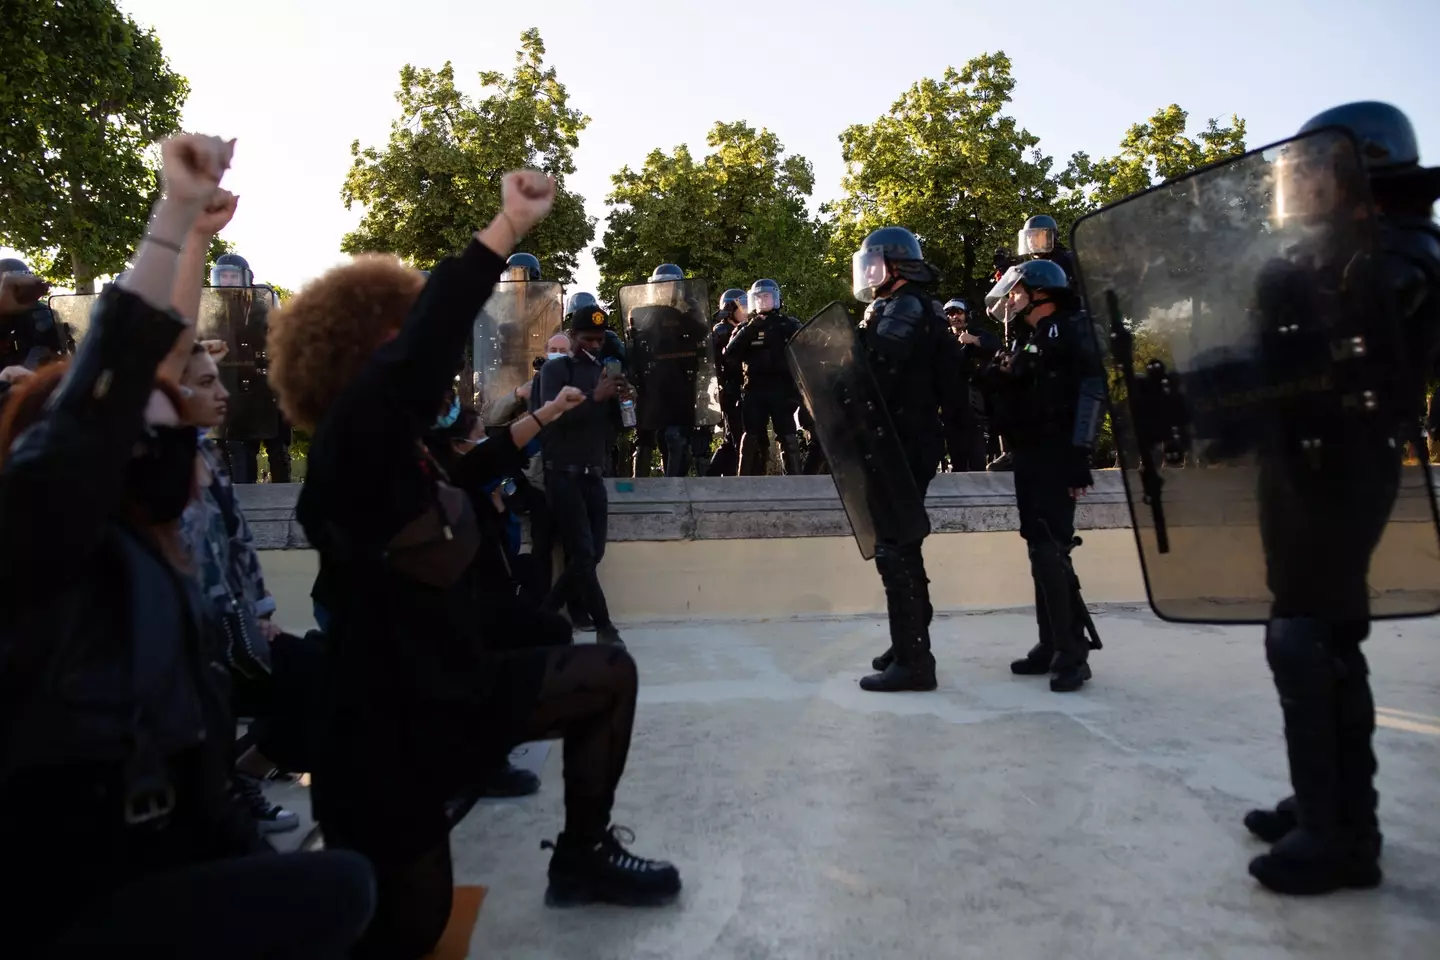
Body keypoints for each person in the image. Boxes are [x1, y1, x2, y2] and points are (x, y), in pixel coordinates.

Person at [267, 169, 678, 958]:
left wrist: (543, 417)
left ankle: (583, 857)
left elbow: (472, 465)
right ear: (361, 360)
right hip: (385, 730)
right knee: (408, 928)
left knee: (605, 674)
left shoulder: (402, 453)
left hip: (453, 688)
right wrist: (507, 227)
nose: (434, 352)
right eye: (402, 335)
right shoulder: (352, 445)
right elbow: (418, 350)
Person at [0, 133, 373, 959]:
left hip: (173, 845)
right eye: (153, 438)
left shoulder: (153, 551)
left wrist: (198, 236)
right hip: (78, 903)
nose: (186, 457)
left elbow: (161, 358)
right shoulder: (55, 551)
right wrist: (173, 215)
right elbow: (120, 368)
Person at [1236, 102, 1440, 895]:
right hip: (1311, 465)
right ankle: (1328, 803)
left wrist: (1251, 378)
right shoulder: (1343, 253)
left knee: (1306, 641)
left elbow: (1348, 353)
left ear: (1361, 173)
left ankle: (1342, 839)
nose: (1300, 184)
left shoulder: (1403, 253)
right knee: (1318, 643)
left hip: (1347, 466)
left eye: (1313, 169)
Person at [177, 341, 304, 833]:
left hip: (234, 627)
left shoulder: (206, 452)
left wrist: (261, 610)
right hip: (187, 640)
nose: (223, 393)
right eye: (207, 382)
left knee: (319, 680)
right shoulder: (142, 461)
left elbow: (236, 543)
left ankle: (241, 777)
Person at [849, 228, 966, 691]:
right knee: (904, 545)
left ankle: (915, 662)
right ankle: (909, 644)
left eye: (874, 264)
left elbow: (882, 363)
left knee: (894, 547)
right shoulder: (906, 305)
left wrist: (854, 343)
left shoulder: (907, 306)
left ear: (893, 266)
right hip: (903, 438)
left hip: (904, 440)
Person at [981, 259, 1105, 693]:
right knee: (1039, 549)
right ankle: (1050, 643)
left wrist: (1080, 456)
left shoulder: (1071, 328)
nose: (1011, 300)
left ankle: (1074, 653)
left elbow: (1091, 391)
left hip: (1057, 457)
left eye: (1016, 292)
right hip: (1031, 455)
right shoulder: (1032, 338)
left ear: (1040, 293)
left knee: (1053, 551)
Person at [537, 297, 629, 647]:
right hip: (562, 473)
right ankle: (605, 626)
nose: (593, 345)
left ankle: (547, 611)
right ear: (573, 336)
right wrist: (596, 397)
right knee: (584, 553)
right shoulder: (556, 370)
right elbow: (553, 419)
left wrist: (624, 404)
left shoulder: (603, 371)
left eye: (599, 339)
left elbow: (613, 428)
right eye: (587, 338)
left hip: (593, 472)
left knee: (593, 553)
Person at [210, 253, 291, 483]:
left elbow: (279, 339)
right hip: (233, 389)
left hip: (267, 387)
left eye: (232, 275)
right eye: (222, 275)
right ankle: (243, 503)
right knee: (238, 449)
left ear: (246, 278)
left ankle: (280, 502)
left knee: (277, 445)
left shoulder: (263, 306)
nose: (227, 280)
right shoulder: (214, 313)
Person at [625, 264, 711, 478]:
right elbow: (633, 344)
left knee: (675, 437)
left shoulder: (684, 316)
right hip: (649, 384)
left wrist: (691, 304)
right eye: (661, 286)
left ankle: (674, 487)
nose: (665, 290)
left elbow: (701, 331)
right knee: (644, 439)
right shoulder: (640, 313)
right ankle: (639, 487)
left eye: (671, 286)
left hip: (678, 384)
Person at [724, 278, 803, 475]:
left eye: (767, 296)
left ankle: (796, 481)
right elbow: (729, 354)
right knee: (750, 436)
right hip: (754, 390)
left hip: (781, 388)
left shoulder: (788, 324)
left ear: (776, 299)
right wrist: (750, 329)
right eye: (758, 297)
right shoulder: (745, 328)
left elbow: (806, 347)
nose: (763, 300)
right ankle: (744, 481)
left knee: (788, 435)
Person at [942, 298, 998, 472]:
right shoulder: (944, 338)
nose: (955, 317)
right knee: (953, 441)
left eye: (958, 312)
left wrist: (974, 340)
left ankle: (979, 477)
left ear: (967, 315)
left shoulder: (977, 333)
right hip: (949, 398)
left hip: (974, 395)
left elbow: (997, 346)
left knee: (975, 442)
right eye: (951, 314)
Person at [707, 288, 748, 475]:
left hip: (737, 390)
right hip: (730, 392)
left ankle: (722, 479)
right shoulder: (723, 332)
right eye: (742, 306)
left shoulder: (736, 330)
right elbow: (717, 365)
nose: (747, 310)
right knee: (737, 438)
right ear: (730, 309)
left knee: (733, 439)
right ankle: (713, 477)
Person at [1015, 213, 1078, 283]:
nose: (1031, 240)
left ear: (1050, 237)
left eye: (1036, 235)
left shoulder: (1069, 261)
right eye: (1028, 236)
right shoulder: (1029, 265)